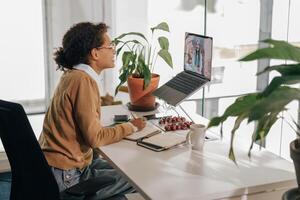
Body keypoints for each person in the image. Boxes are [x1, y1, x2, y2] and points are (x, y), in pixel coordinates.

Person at [39, 22, 146, 199]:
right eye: (110, 46)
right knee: (140, 177)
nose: (114, 51)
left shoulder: (71, 75)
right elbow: (95, 138)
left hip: (53, 169)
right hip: (69, 177)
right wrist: (131, 127)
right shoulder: (83, 81)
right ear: (95, 53)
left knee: (129, 167)